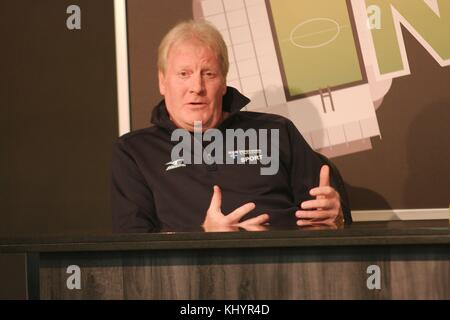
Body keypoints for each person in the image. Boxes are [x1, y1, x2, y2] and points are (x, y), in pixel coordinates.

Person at [111, 20, 349, 233]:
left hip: (288, 270)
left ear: (223, 82)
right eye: (184, 74)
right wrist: (204, 236)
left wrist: (333, 215)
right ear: (162, 81)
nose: (197, 86)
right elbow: (134, 245)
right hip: (194, 277)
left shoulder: (276, 131)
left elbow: (328, 218)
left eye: (209, 74)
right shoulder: (135, 151)